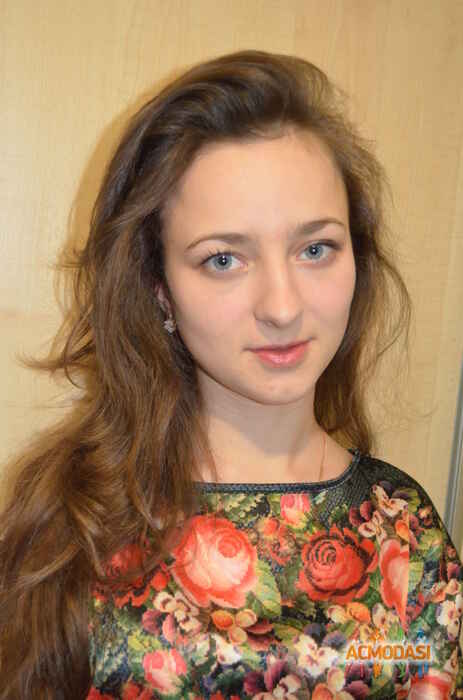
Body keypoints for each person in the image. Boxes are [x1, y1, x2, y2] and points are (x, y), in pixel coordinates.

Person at [0, 49, 462, 700]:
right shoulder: (70, 527)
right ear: (159, 288)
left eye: (315, 248)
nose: (282, 306)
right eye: (223, 259)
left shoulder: (404, 529)